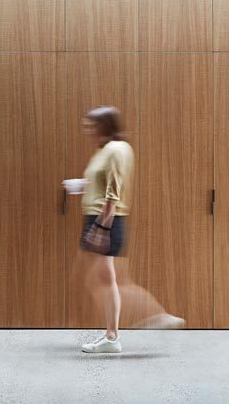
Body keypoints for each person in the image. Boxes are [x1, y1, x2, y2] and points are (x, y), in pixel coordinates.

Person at [65, 106, 184, 354]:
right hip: (97, 219)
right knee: (103, 280)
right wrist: (82, 185)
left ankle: (150, 319)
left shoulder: (117, 150)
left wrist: (100, 227)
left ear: (105, 125)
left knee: (108, 281)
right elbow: (100, 183)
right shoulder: (104, 151)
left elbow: (113, 192)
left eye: (92, 126)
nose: (88, 131)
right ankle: (116, 334)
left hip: (106, 221)